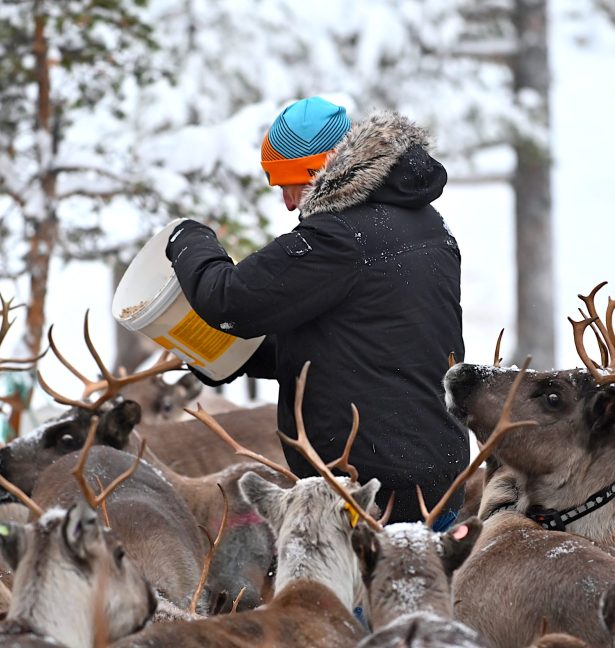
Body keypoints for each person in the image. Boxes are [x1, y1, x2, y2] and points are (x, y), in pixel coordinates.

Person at [164, 97, 466, 525]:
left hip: (371, 491)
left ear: (318, 173)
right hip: (433, 474)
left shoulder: (340, 238)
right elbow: (357, 346)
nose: (288, 204)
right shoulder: (425, 223)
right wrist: (238, 357)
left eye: (287, 184)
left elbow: (228, 300)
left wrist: (188, 239)